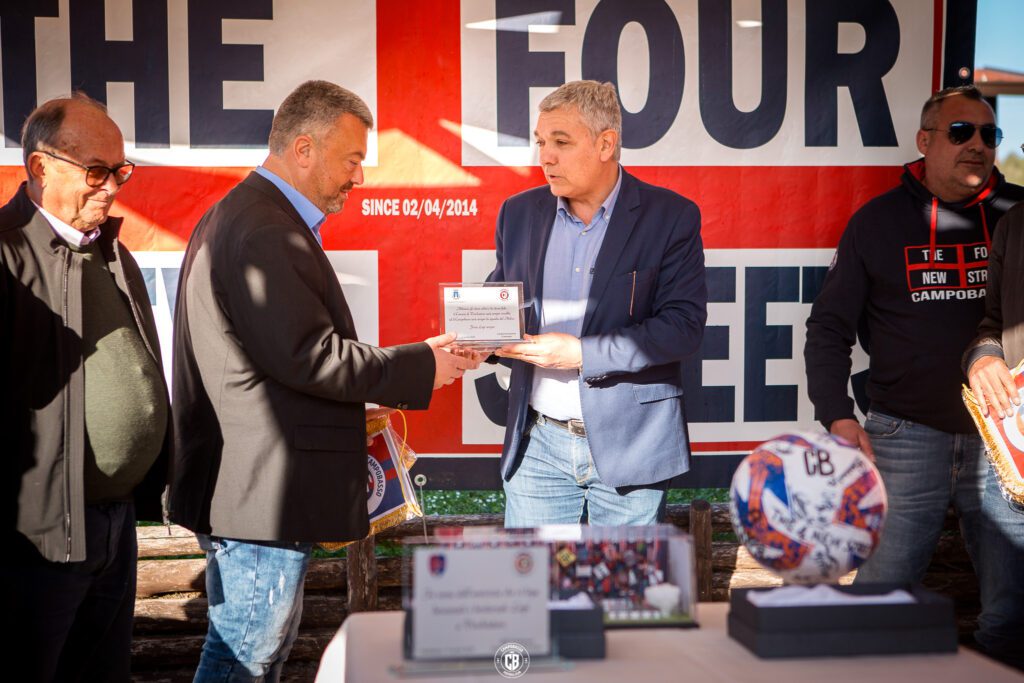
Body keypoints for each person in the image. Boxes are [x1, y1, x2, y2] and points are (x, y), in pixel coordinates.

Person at [170, 80, 478, 681]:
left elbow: (272, 363)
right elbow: (309, 356)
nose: (358, 177)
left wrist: (357, 401)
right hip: (259, 499)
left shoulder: (251, 215)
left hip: (256, 493)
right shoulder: (264, 228)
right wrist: (422, 365)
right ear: (304, 149)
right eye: (352, 159)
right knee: (245, 656)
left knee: (258, 652)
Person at [805, 85, 1024, 668]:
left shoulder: (1020, 217)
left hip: (1006, 437)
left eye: (989, 134)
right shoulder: (877, 222)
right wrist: (837, 415)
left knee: (1013, 608)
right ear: (925, 141)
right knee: (878, 602)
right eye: (961, 132)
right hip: (905, 435)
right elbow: (828, 327)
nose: (977, 145)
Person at [1, 94, 172, 681]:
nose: (113, 187)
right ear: (41, 167)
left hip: (113, 525)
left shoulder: (109, 250)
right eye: (97, 171)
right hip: (35, 540)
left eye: (121, 170)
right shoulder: (6, 253)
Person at [487, 80, 707, 527]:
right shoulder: (518, 212)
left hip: (632, 445)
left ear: (606, 144)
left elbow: (683, 327)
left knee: (625, 578)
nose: (545, 157)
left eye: (561, 142)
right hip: (536, 447)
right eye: (541, 142)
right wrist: (478, 337)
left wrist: (581, 354)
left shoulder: (671, 216)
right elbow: (502, 298)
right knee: (535, 576)